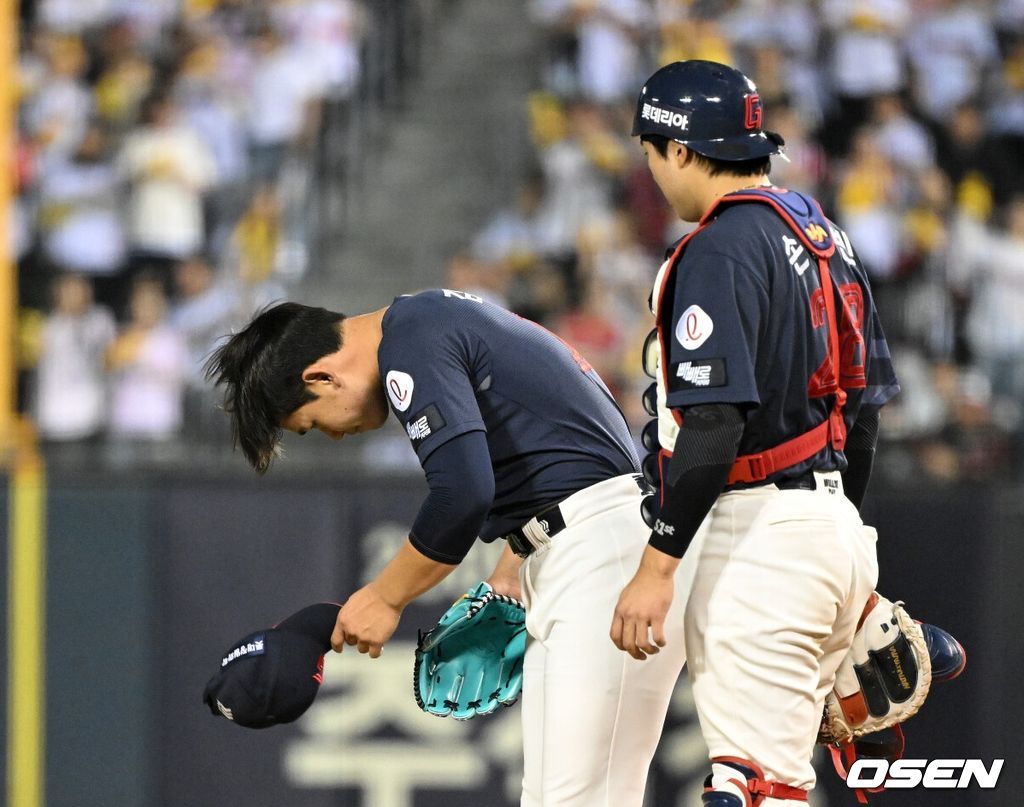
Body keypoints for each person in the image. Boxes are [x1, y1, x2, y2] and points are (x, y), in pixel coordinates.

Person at [206, 290, 697, 805]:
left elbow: (461, 495)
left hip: (604, 555)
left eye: (311, 423)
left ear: (321, 377)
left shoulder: (412, 335)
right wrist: (512, 567)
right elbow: (566, 454)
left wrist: (386, 597)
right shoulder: (427, 322)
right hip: (585, 544)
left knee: (579, 798)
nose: (331, 435)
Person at [610, 61, 899, 806]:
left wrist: (657, 566)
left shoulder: (720, 247)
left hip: (764, 538)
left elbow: (714, 424)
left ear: (679, 149)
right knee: (771, 781)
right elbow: (864, 415)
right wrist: (835, 542)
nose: (653, 171)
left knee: (757, 787)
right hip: (834, 528)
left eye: (651, 152)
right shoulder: (825, 234)